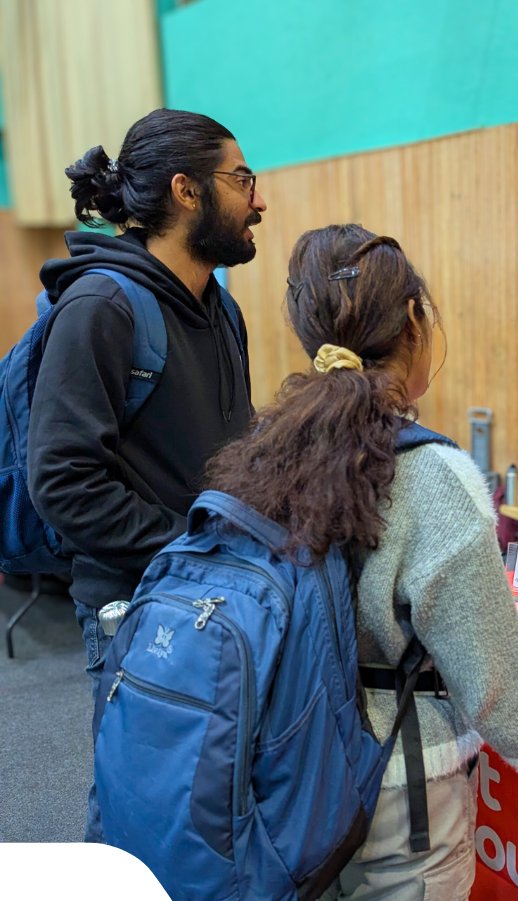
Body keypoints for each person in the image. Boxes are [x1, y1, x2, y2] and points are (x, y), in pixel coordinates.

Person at [202, 224, 518, 901]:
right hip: (397, 790)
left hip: (285, 771)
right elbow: (490, 665)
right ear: (415, 321)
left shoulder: (261, 453)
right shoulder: (431, 475)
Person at [27, 109, 267, 848]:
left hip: (221, 606)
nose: (259, 199)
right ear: (186, 191)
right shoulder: (102, 308)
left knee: (211, 809)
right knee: (138, 816)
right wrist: (186, 551)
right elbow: (63, 481)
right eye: (242, 179)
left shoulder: (217, 305)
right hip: (139, 616)